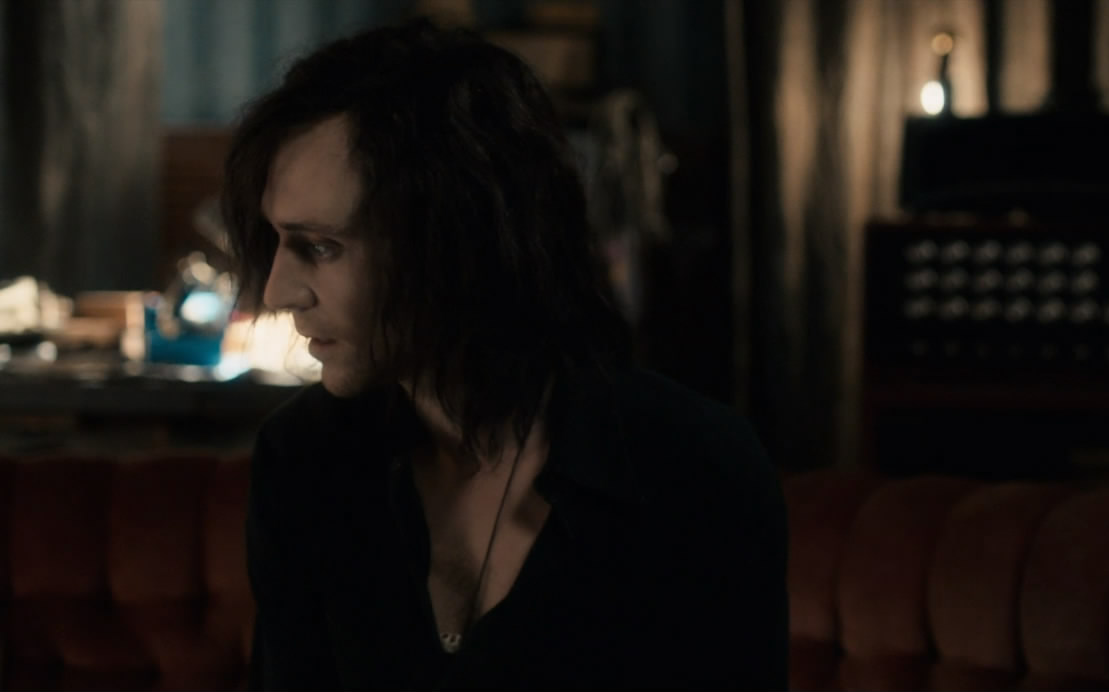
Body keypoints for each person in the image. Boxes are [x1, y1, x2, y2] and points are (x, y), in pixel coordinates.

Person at [224, 17, 788, 691]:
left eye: (321, 246)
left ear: (456, 239)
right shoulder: (305, 460)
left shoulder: (692, 469)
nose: (278, 292)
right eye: (277, 242)